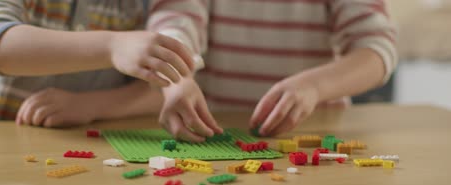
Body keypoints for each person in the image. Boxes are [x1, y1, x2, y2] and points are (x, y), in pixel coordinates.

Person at [151, 0, 397, 141]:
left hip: (314, 137)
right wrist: (177, 81)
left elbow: (376, 50)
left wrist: (315, 86)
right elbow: (175, 24)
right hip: (216, 134)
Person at [0, 0, 207, 127]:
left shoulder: (139, 5)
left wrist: (89, 105)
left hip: (83, 156)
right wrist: (111, 46)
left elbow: (157, 90)